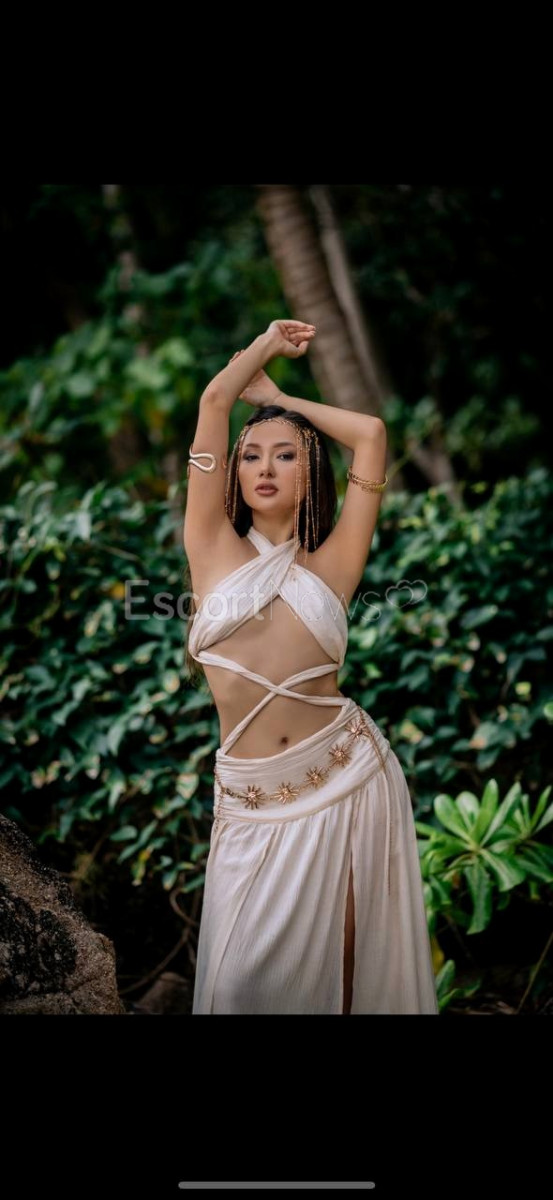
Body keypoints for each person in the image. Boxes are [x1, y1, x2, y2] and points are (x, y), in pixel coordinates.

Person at [183, 318, 439, 1015]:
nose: (264, 468)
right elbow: (214, 402)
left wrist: (281, 400)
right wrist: (264, 348)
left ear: (310, 473)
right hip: (251, 800)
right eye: (251, 455)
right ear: (233, 471)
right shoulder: (208, 544)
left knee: (344, 984)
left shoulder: (335, 564)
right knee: (239, 988)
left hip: (348, 779)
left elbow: (371, 435)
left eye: (285, 455)